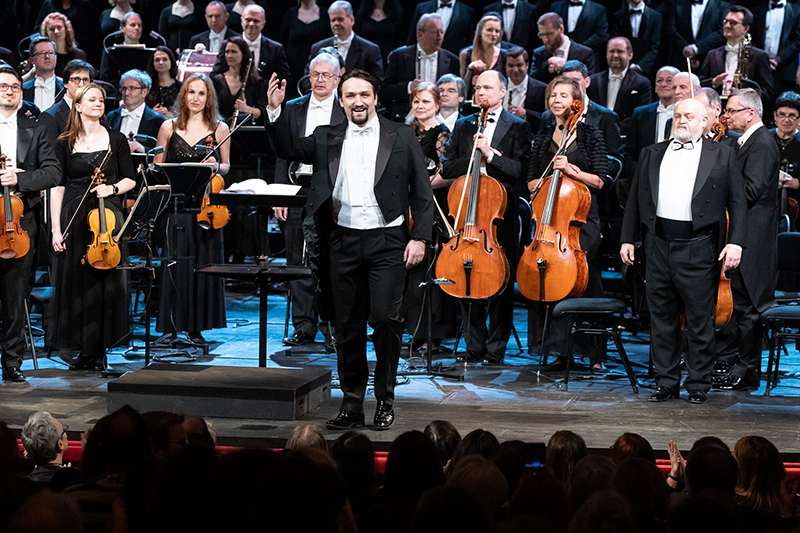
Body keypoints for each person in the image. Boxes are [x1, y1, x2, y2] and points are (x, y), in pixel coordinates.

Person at [266, 68, 434, 430]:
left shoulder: (401, 135)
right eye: (350, 96)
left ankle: (385, 400)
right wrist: (276, 112)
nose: (358, 101)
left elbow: (422, 192)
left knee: (386, 321)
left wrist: (419, 237)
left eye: (364, 95)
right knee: (348, 327)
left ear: (375, 98)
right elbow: (287, 148)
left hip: (388, 242)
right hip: (341, 241)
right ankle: (353, 404)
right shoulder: (327, 136)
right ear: (341, 101)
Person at [620, 98, 746, 404]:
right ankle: (666, 382)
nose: (682, 120)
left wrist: (736, 241)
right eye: (678, 116)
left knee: (700, 318)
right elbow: (636, 199)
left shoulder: (723, 154)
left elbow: (738, 203)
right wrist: (627, 238)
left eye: (689, 116)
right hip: (658, 243)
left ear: (705, 121)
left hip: (699, 245)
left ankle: (699, 384)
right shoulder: (652, 152)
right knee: (661, 318)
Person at [440, 70, 531, 365]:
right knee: (465, 280)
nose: (482, 93)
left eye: (488, 88)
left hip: (499, 217)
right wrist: (472, 158)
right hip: (467, 215)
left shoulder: (518, 126)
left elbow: (521, 170)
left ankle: (496, 347)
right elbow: (448, 166)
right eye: (478, 88)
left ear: (503, 92)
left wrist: (490, 155)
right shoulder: (464, 125)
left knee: (499, 283)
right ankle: (473, 345)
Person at [50, 83, 137, 371]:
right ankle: (83, 350)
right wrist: (55, 228)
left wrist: (111, 189)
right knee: (76, 282)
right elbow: (57, 186)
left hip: (105, 220)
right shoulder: (64, 142)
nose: (98, 103)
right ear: (78, 106)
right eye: (92, 99)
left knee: (103, 283)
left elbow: (130, 179)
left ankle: (99, 350)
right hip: (74, 216)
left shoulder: (116, 139)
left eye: (101, 99)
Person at [526, 76, 608, 368]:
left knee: (581, 277)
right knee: (546, 274)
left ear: (577, 101)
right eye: (552, 95)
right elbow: (531, 180)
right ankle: (556, 350)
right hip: (549, 222)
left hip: (581, 220)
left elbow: (600, 179)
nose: (556, 100)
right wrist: (547, 179)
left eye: (563, 95)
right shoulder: (543, 135)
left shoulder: (589, 135)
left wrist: (573, 171)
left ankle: (593, 353)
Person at [273, 52, 345, 348]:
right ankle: (304, 326)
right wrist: (279, 193)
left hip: (333, 193)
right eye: (314, 74)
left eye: (325, 75)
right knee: (297, 259)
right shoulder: (292, 109)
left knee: (332, 262)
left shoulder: (345, 109)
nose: (318, 80)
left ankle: (333, 328)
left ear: (338, 78)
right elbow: (282, 152)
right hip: (296, 188)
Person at [153, 74, 230, 344]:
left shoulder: (219, 129)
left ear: (208, 98)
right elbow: (157, 167)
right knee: (174, 265)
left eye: (201, 93)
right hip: (176, 205)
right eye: (191, 92)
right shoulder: (168, 127)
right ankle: (170, 325)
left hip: (207, 207)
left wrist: (215, 166)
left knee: (202, 265)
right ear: (183, 96)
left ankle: (197, 327)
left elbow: (227, 166)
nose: (196, 98)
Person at [716, 89, 780, 392]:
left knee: (749, 307)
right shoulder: (747, 141)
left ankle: (747, 370)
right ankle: (742, 366)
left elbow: (752, 190)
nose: (726, 117)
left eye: (731, 111)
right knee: (741, 305)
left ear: (750, 113)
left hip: (754, 238)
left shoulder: (763, 143)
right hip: (744, 232)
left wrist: (721, 181)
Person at [0, 67, 60, 382]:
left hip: (21, 222)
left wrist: (20, 177)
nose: (9, 91)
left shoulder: (36, 128)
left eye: (14, 87)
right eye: (3, 87)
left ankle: (11, 362)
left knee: (15, 295)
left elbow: (53, 172)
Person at [401, 81, 453, 350]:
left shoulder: (442, 134)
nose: (420, 106)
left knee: (429, 266)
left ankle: (432, 334)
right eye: (416, 102)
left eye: (425, 102)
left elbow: (448, 171)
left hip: (432, 207)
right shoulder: (405, 132)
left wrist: (422, 186)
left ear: (436, 105)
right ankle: (413, 330)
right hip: (405, 205)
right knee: (409, 271)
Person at [380, 13, 459, 123]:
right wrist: (409, 87)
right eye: (434, 32)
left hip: (440, 120)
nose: (439, 37)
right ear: (420, 34)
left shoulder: (452, 60)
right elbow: (385, 91)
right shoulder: (399, 56)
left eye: (441, 32)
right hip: (406, 119)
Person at [619, 66, 678, 205]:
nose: (663, 84)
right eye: (659, 81)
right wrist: (640, 175)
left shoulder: (685, 115)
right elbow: (629, 152)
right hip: (644, 181)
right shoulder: (640, 113)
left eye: (669, 80)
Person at [698, 6, 774, 100]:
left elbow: (767, 91)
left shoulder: (759, 56)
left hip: (744, 110)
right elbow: (699, 84)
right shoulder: (712, 54)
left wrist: (743, 95)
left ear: (746, 29)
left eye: (733, 23)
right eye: (726, 21)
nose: (727, 25)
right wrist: (714, 82)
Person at [587, 37, 651, 136]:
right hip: (596, 135)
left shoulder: (642, 83)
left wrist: (613, 130)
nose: (615, 55)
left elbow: (641, 116)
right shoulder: (593, 81)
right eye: (611, 51)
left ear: (630, 55)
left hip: (626, 137)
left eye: (620, 51)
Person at [307, 1, 384, 82]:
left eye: (340, 19)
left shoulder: (370, 50)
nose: (336, 23)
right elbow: (307, 80)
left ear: (352, 20)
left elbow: (376, 82)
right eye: (333, 20)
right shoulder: (317, 48)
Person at [218, 4, 291, 85]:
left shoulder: (276, 48)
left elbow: (284, 76)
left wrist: (263, 86)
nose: (251, 24)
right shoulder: (227, 45)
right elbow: (216, 73)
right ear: (241, 21)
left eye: (256, 21)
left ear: (263, 24)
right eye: (248, 20)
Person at [279, 0, 331, 100]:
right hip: (292, 69)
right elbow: (282, 41)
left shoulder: (324, 14)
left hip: (317, 67)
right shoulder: (291, 13)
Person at [107, 69, 166, 154]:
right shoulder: (112, 116)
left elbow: (165, 153)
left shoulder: (158, 120)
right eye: (124, 88)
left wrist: (143, 149)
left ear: (144, 92)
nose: (126, 93)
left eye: (132, 88)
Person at [211, 37, 266, 124]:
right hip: (219, 131)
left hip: (244, 132)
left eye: (234, 52)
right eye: (227, 52)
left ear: (243, 54)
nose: (229, 55)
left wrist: (246, 108)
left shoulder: (255, 82)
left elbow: (263, 113)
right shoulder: (216, 80)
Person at [530, 13, 596, 85]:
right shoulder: (539, 53)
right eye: (542, 35)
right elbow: (533, 81)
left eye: (549, 34)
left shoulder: (585, 53)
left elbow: (590, 82)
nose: (545, 39)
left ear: (561, 29)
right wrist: (548, 63)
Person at [39, 60, 94, 142]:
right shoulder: (49, 116)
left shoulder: (95, 111)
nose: (81, 85)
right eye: (76, 79)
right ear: (65, 83)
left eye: (85, 80)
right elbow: (51, 153)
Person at [752, 1, 800, 96]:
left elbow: (798, 40)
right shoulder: (757, 11)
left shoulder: (797, 11)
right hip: (760, 69)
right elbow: (753, 38)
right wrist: (762, 60)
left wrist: (779, 59)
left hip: (785, 69)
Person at [770, 91, 800, 232]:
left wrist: (798, 183)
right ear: (775, 116)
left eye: (792, 115)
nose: (786, 119)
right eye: (782, 114)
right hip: (768, 202)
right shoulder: (765, 139)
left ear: (799, 118)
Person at [668, 0, 727, 70]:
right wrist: (687, 50)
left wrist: (696, 48)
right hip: (681, 59)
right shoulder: (677, 4)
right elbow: (671, 31)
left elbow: (721, 32)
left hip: (709, 60)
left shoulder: (722, 6)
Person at [610, 0, 662, 77]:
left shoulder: (656, 16)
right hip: (623, 68)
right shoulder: (617, 17)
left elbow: (654, 46)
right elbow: (616, 44)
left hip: (648, 70)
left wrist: (640, 66)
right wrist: (629, 65)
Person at [459, 14, 506, 97]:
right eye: (489, 30)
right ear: (480, 31)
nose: (494, 34)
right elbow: (463, 90)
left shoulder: (504, 55)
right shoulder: (466, 54)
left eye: (497, 31)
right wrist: (470, 70)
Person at [407, 0, 476, 56]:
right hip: (423, 57)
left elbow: (469, 42)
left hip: (453, 62)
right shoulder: (422, 7)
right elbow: (413, 37)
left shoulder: (467, 11)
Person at [503, 46, 547, 131]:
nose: (515, 70)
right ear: (505, 66)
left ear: (527, 65)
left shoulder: (542, 88)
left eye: (519, 65)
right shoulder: (498, 86)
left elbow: (549, 119)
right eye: (511, 65)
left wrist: (526, 114)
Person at [20, 411, 70, 482]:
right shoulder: (71, 483)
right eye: (64, 431)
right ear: (60, 444)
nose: (66, 434)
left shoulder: (20, 486)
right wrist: (69, 477)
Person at [354, 0, 405, 65]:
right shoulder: (362, 14)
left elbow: (400, 39)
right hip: (366, 57)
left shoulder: (396, 14)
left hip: (389, 58)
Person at [99, 12, 143, 85]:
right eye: (132, 25)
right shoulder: (111, 51)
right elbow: (104, 78)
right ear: (123, 28)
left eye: (139, 25)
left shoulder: (147, 51)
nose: (137, 28)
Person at [40, 13, 88, 79]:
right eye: (51, 29)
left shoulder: (79, 55)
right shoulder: (42, 55)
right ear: (46, 32)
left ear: (66, 29)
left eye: (59, 27)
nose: (56, 31)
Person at [22, 38, 63, 114]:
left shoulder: (65, 89)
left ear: (56, 57)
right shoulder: (22, 90)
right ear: (32, 60)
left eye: (51, 53)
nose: (47, 56)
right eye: (41, 53)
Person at [145, 46, 182, 119]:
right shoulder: (146, 87)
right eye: (157, 60)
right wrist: (152, 113)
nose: (161, 62)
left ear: (171, 61)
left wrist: (170, 115)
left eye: (165, 59)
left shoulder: (181, 88)